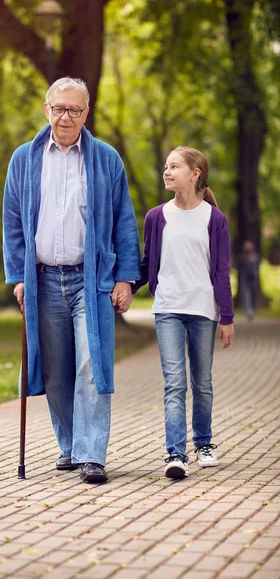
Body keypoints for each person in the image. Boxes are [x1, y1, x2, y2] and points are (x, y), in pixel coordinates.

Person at [2, 77, 140, 483]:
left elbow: (124, 222)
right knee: (57, 371)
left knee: (91, 365)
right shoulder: (24, 159)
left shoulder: (106, 159)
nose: (66, 116)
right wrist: (18, 276)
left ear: (86, 114)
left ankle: (92, 453)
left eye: (74, 110)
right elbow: (12, 222)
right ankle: (69, 446)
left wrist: (126, 279)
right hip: (42, 279)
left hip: (90, 280)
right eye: (59, 108)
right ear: (46, 109)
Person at [132, 146, 235, 480]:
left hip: (204, 310)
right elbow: (149, 265)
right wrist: (126, 287)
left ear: (195, 174)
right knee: (174, 383)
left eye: (174, 166)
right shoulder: (156, 217)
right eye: (165, 166)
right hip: (168, 310)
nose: (166, 171)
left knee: (201, 382)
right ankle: (176, 454)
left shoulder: (214, 219)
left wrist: (228, 318)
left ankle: (203, 443)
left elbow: (221, 271)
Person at [238, 241, 259, 321]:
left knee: (253, 296)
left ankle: (252, 311)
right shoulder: (242, 258)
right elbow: (240, 269)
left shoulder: (256, 257)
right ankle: (249, 313)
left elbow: (256, 268)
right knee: (247, 297)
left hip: (253, 280)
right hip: (245, 280)